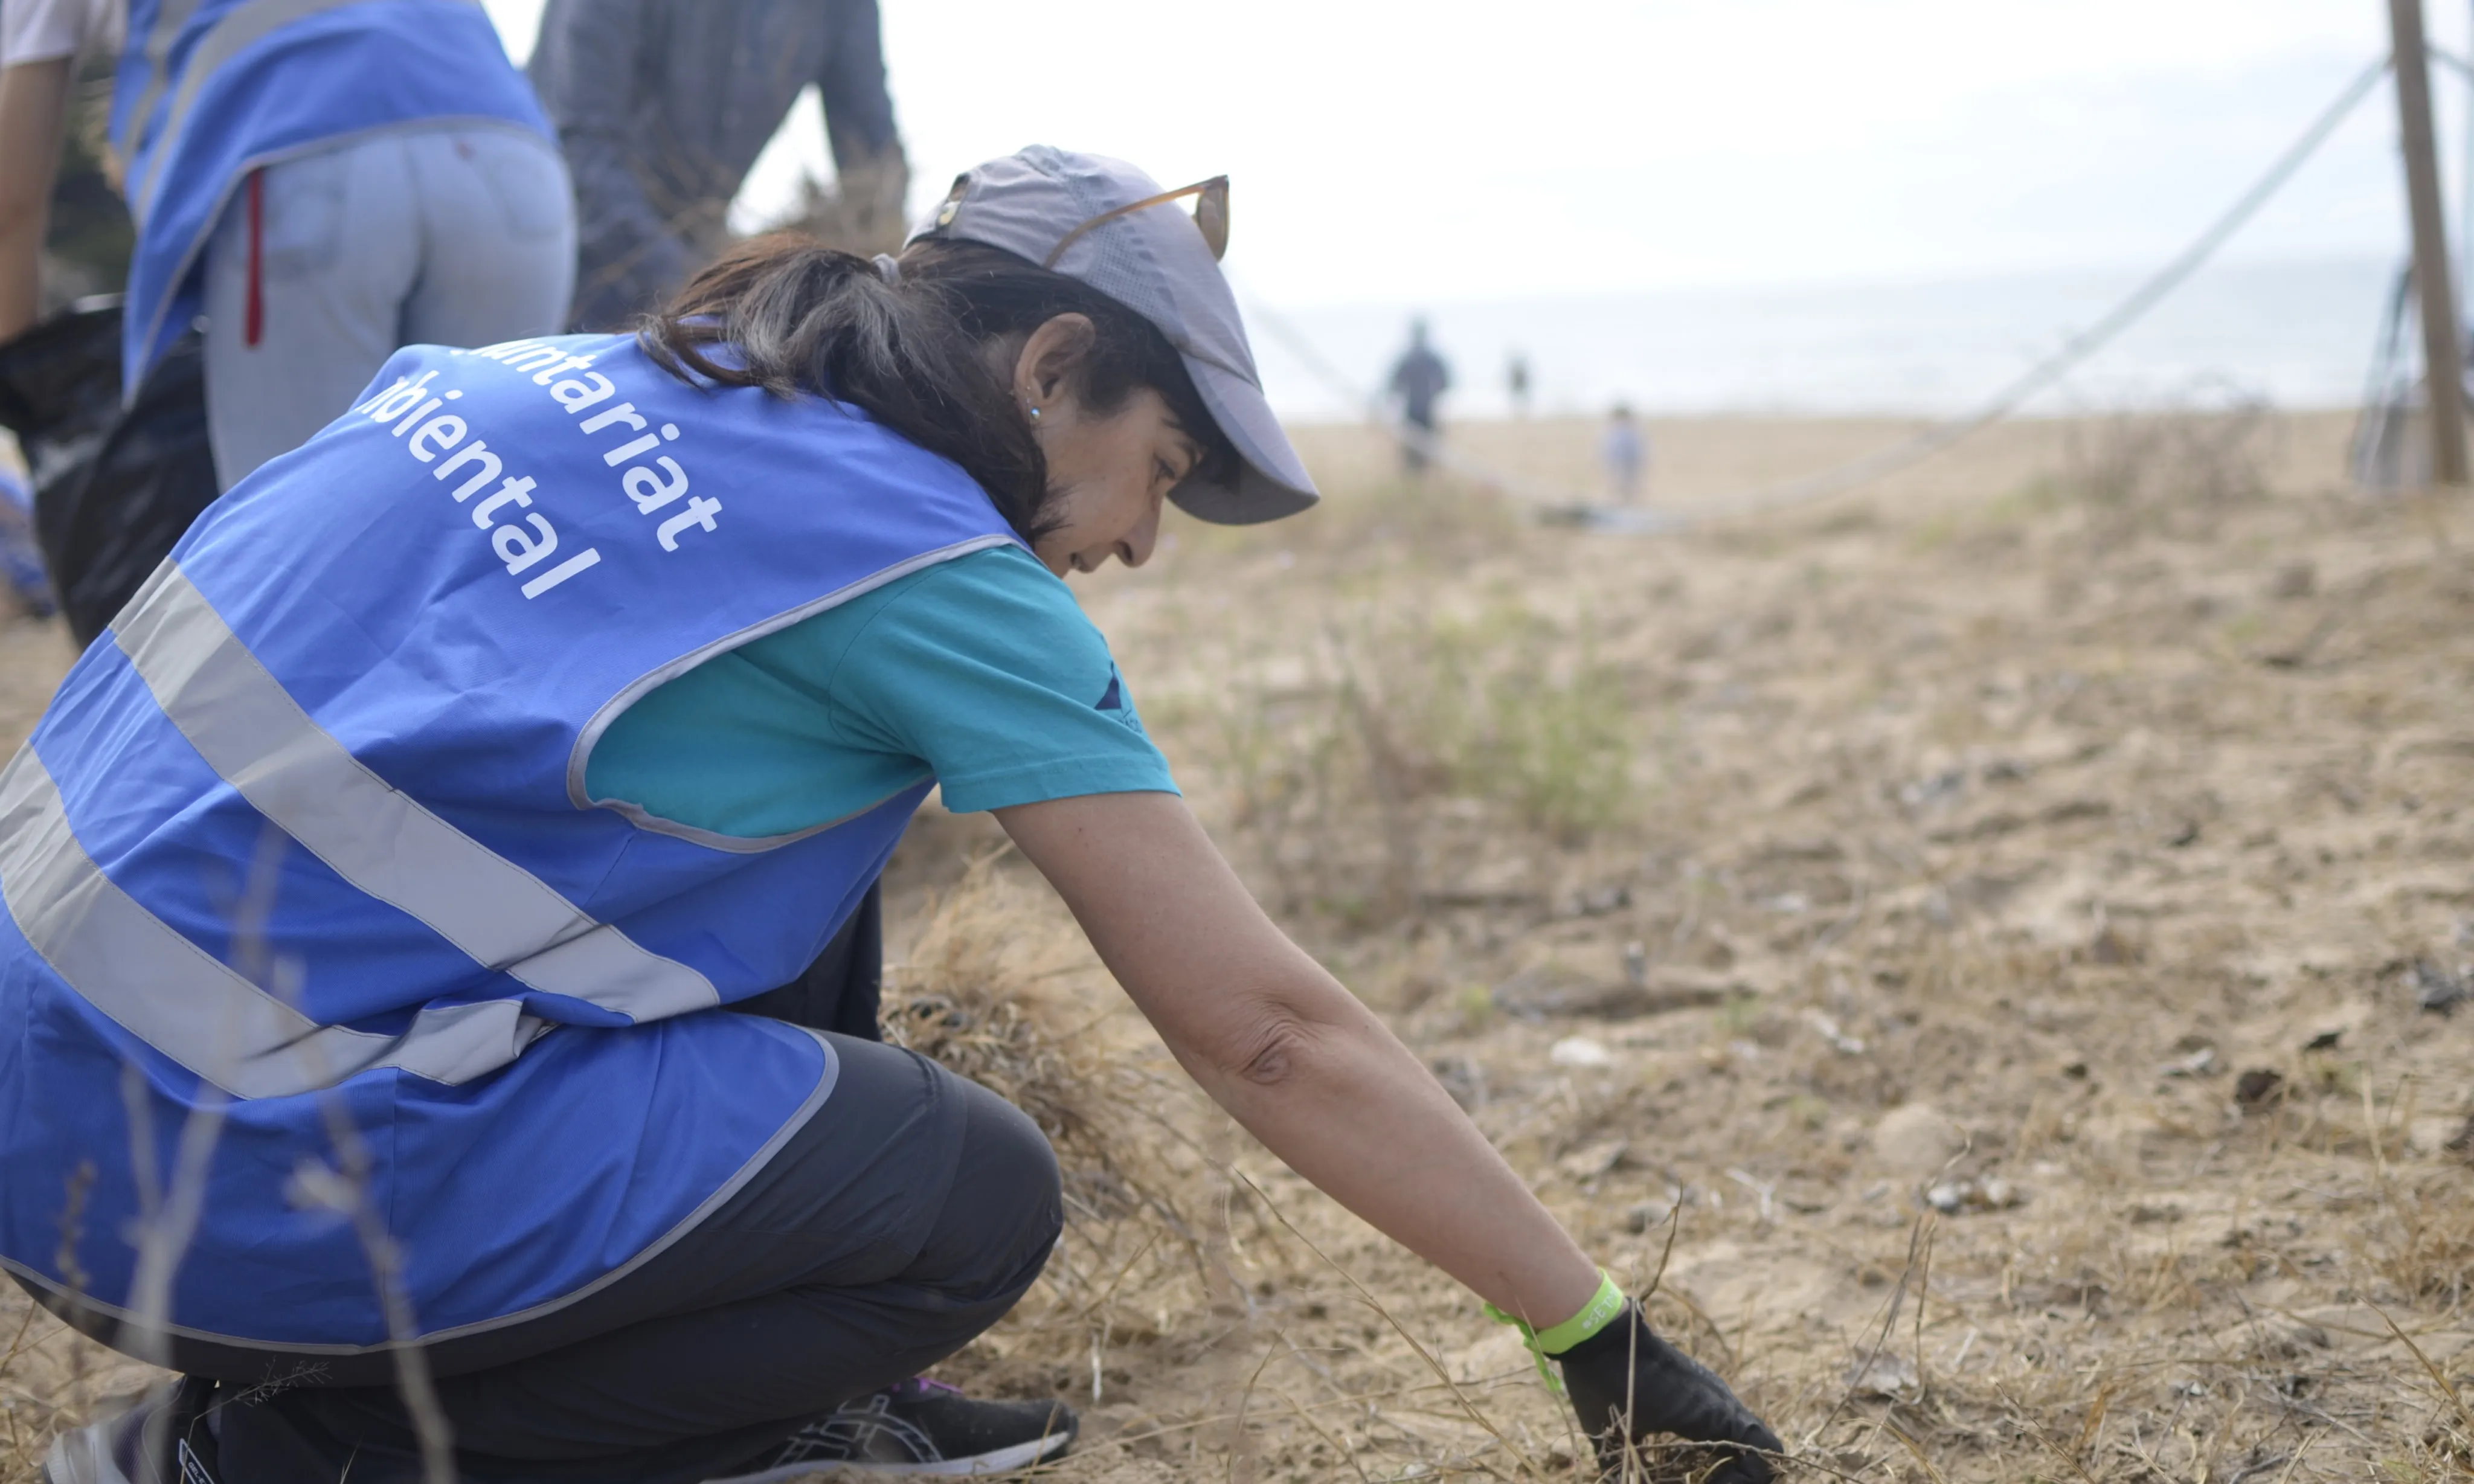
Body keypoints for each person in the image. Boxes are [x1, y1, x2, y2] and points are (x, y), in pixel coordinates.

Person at [6, 146, 1784, 1484]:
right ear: (1050, 365)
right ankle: (231, 1461)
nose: (1141, 545)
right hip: (214, 1185)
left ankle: (768, 1406)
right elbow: (1266, 1037)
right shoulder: (933, 566)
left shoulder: (560, 377)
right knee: (967, 1200)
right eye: (1158, 471)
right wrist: (1593, 1333)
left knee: (803, 832)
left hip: (44, 1088)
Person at [0, 0, 576, 492]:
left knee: (303, 534)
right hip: (514, 156)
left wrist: (32, 390)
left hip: (303, 161)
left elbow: (12, 203)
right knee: (486, 516)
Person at [529, 0, 910, 333]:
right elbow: (581, 143)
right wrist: (703, 285)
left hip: (693, 272)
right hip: (547, 247)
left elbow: (874, 158)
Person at [1386, 315, 1450, 475]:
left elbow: (1394, 385)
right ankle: (1418, 480)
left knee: (1417, 453)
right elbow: (1445, 383)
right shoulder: (1429, 359)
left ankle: (1416, 480)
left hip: (1418, 412)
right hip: (1421, 411)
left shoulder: (1412, 358)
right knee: (1419, 453)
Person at [1603, 402, 1648, 504]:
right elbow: (1608, 453)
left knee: (1629, 487)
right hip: (1618, 466)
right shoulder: (1613, 434)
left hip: (1630, 465)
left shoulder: (1633, 433)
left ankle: (1629, 503)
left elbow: (1639, 452)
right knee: (1619, 486)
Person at [1506, 350, 1531, 417]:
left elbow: (1524, 380)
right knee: (1517, 401)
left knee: (1521, 400)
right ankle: (1517, 413)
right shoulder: (1517, 372)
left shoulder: (1519, 372)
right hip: (1518, 387)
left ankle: (1522, 413)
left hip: (1520, 387)